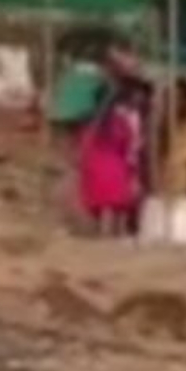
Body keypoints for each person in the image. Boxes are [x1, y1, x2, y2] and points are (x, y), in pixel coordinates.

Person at [73, 51, 148, 238]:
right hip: (115, 167)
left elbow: (83, 144)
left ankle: (98, 233)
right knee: (116, 206)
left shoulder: (90, 122)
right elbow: (130, 144)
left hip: (94, 167)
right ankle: (114, 234)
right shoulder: (121, 119)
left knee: (98, 205)